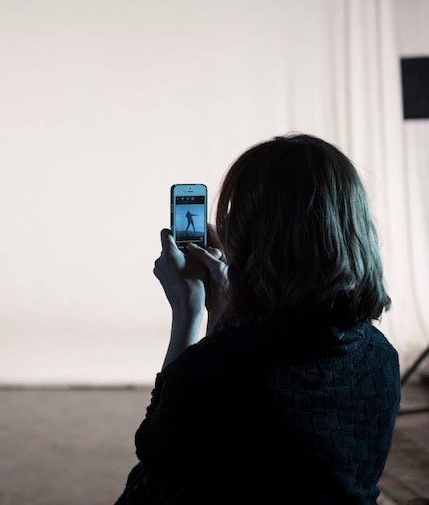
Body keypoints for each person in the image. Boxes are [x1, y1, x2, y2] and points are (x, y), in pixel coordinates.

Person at [115, 134, 401, 504]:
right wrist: (222, 302)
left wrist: (189, 310)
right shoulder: (379, 354)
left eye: (238, 212)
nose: (228, 222)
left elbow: (159, 454)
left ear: (259, 236)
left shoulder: (224, 371)